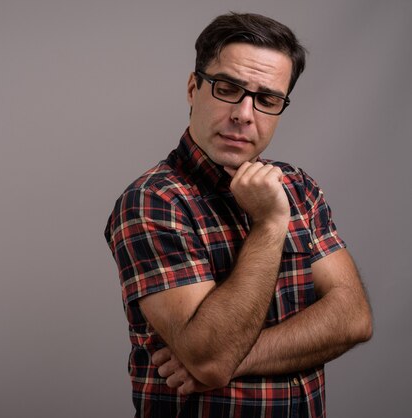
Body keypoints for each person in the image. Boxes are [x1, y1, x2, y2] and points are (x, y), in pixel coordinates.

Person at [104, 12, 372, 418]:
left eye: (266, 99)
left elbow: (353, 318)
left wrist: (241, 358)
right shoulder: (153, 202)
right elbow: (211, 358)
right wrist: (268, 224)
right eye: (228, 88)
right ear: (194, 88)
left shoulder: (298, 188)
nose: (245, 114)